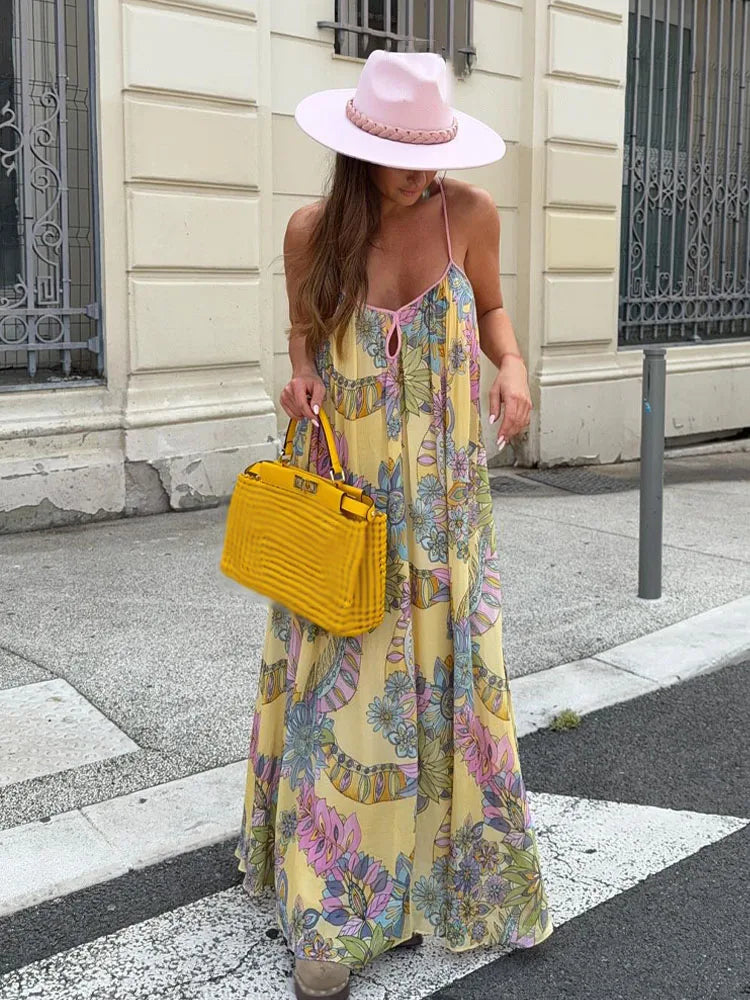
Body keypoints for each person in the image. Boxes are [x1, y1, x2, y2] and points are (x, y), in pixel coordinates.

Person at [234, 49, 554, 1000]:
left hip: (447, 505)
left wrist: (512, 366)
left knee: (453, 680)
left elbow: (492, 308)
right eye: (406, 158)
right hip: (351, 502)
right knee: (347, 695)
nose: (425, 173)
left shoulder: (470, 215)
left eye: (433, 153)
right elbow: (302, 339)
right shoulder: (312, 233)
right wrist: (298, 376)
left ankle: (465, 878)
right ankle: (334, 907)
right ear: (359, 150)